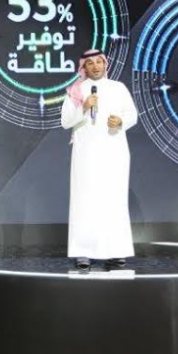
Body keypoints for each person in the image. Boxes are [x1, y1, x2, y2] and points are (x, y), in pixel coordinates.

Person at [60, 49, 138, 270]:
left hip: (114, 152)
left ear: (105, 64)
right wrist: (84, 107)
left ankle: (115, 252)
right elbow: (65, 121)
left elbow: (132, 115)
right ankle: (83, 253)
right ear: (84, 67)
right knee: (85, 202)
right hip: (86, 155)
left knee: (114, 202)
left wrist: (120, 121)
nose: (95, 66)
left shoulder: (118, 88)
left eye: (99, 62)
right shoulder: (76, 91)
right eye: (90, 63)